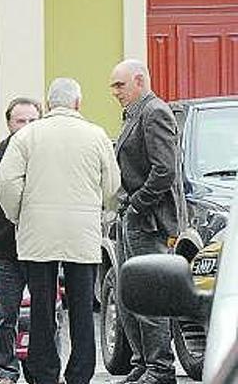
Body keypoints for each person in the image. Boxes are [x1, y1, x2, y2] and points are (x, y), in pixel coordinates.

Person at [0, 78, 120, 384]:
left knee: (42, 305)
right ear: (78, 103)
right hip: (82, 233)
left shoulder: (27, 135)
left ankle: (44, 372)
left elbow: (6, 182)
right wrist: (102, 212)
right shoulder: (96, 135)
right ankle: (79, 374)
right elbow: (113, 185)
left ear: (48, 104)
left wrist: (18, 216)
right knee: (81, 307)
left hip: (37, 233)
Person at [109, 59, 186, 384]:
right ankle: (142, 361)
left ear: (138, 81)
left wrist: (137, 204)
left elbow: (164, 170)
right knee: (131, 294)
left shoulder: (154, 112)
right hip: (134, 217)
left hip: (149, 222)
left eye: (119, 85)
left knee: (149, 293)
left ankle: (159, 366)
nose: (114, 92)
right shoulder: (135, 113)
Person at [0, 97, 41, 384]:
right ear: (9, 123)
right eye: (20, 120)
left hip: (41, 246)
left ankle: (42, 370)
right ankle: (5, 370)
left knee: (47, 314)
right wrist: (1, 227)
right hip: (6, 249)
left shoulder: (46, 155)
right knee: (6, 315)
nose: (26, 126)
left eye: (32, 121)